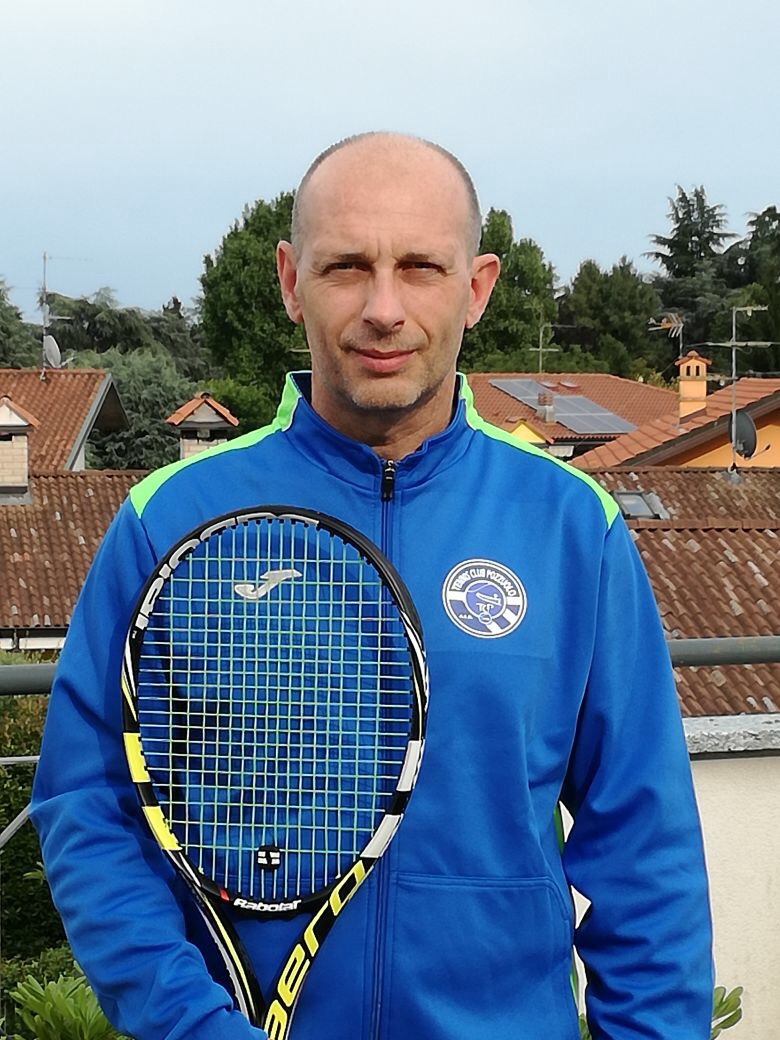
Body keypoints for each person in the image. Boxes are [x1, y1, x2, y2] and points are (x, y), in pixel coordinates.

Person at [31, 132, 713, 1040]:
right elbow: (89, 809)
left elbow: (646, 848)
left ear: (476, 287)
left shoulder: (572, 527)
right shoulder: (167, 520)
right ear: (291, 281)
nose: (383, 309)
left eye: (421, 267)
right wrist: (195, 1026)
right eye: (346, 266)